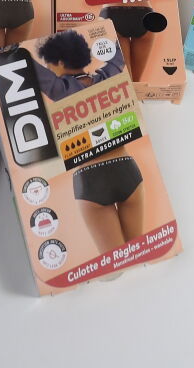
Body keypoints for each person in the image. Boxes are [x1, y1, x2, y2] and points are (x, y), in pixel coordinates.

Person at [33, 31, 145, 252]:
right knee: (137, 252)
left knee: (115, 261)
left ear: (60, 62)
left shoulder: (60, 89)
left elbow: (31, 68)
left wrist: (11, 51)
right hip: (126, 169)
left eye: (49, 64)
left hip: (91, 178)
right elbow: (119, 50)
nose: (49, 69)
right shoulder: (109, 75)